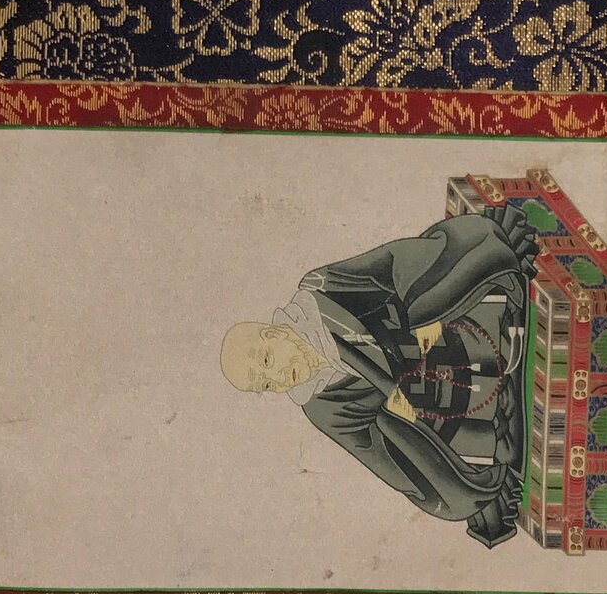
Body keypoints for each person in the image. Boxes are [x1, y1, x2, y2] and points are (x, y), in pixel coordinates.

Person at [219, 204, 539, 548]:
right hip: (435, 405)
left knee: (442, 293)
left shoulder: (321, 290)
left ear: (274, 333)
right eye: (268, 384)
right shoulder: (319, 406)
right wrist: (398, 407)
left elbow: (390, 265)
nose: (281, 376)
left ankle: (499, 329)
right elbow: (381, 454)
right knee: (422, 452)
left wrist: (401, 335)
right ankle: (497, 418)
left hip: (431, 322)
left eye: (268, 360)